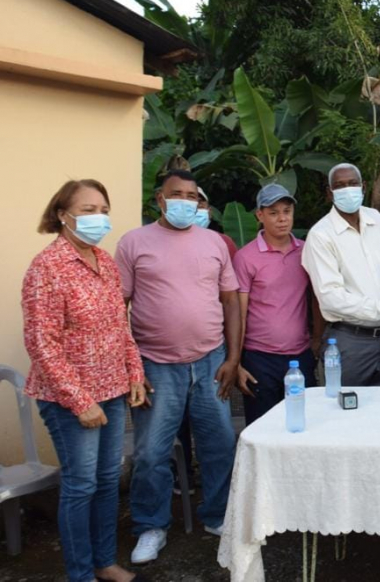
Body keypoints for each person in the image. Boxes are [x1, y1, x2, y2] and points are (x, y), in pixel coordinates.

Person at [22, 179, 147, 582]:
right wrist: (80, 401)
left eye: (103, 210)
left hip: (112, 390)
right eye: (88, 210)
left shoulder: (104, 261)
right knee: (81, 485)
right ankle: (81, 574)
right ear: (63, 215)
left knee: (108, 480)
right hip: (69, 400)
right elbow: (41, 343)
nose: (99, 218)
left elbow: (120, 325)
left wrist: (134, 373)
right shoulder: (47, 267)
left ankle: (105, 562)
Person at [115, 169, 240, 564]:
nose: (185, 201)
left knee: (220, 444)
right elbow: (118, 307)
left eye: (192, 196)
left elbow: (231, 300)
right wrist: (132, 366)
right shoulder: (133, 242)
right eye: (177, 194)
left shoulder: (214, 242)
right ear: (160, 199)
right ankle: (150, 526)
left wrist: (233, 358)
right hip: (155, 365)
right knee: (151, 452)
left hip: (210, 360)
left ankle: (217, 515)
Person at [302, 163, 380, 386]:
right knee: (346, 403)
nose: (347, 190)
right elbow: (331, 299)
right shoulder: (321, 235)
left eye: (352, 183)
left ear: (363, 187)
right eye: (340, 186)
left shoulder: (374, 218)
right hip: (350, 341)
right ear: (329, 193)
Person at [232, 184, 324, 424]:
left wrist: (317, 338)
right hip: (259, 358)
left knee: (304, 423)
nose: (282, 219)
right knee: (263, 426)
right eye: (273, 213)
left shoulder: (306, 251)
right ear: (260, 216)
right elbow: (239, 314)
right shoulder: (246, 257)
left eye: (287, 211)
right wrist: (236, 362)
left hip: (300, 355)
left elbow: (317, 297)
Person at [196, 186, 239, 258]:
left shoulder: (223, 242)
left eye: (200, 205)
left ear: (210, 213)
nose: (196, 208)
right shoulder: (174, 242)